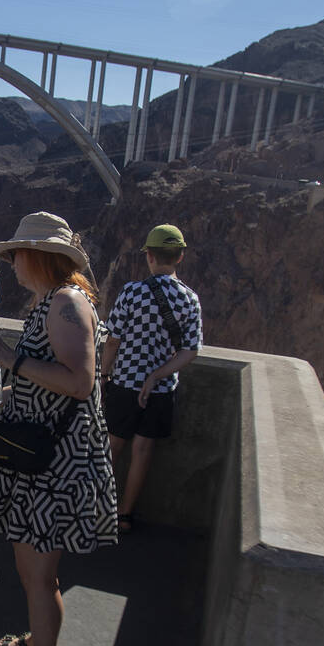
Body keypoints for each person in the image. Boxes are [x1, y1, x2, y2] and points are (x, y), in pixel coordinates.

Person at [0, 211, 116, 646]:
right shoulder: (51, 301)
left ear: (37, 257)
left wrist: (8, 358)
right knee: (34, 572)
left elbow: (80, 383)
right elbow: (39, 379)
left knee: (38, 576)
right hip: (41, 456)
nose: (13, 263)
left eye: (18, 253)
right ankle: (39, 644)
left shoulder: (66, 302)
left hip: (55, 464)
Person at [101, 224, 202, 534]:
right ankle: (125, 516)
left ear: (149, 256)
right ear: (180, 256)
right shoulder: (190, 299)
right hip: (160, 390)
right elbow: (190, 351)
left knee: (112, 447)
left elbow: (113, 340)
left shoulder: (133, 292)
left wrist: (105, 374)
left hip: (124, 384)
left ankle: (96, 509)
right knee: (143, 452)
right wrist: (157, 375)